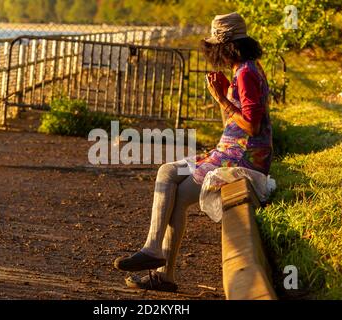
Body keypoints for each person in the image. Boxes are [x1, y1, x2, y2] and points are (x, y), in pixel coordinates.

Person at [113, 12, 273, 292]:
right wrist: (224, 98)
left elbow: (251, 125)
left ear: (225, 47)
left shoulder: (246, 73)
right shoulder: (244, 68)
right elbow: (234, 123)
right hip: (230, 151)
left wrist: (221, 98)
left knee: (175, 196)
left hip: (242, 159)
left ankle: (163, 272)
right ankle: (153, 250)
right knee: (167, 171)